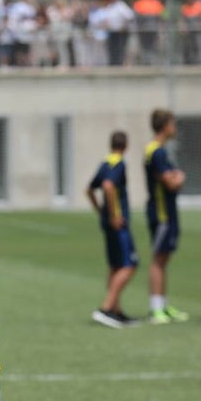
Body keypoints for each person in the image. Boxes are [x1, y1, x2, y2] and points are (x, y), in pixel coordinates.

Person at [86, 130, 138, 328]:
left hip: (107, 223)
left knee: (116, 265)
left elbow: (90, 189)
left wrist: (100, 210)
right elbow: (108, 186)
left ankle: (115, 311)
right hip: (118, 225)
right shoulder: (118, 163)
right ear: (125, 145)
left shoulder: (104, 163)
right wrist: (115, 215)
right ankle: (106, 308)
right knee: (129, 265)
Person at [144, 108, 189, 324]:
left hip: (167, 212)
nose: (175, 128)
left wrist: (176, 177)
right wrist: (178, 178)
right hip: (161, 213)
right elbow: (170, 181)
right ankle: (155, 308)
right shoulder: (157, 152)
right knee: (158, 259)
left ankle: (162, 303)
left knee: (164, 259)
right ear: (165, 126)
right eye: (173, 124)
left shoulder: (159, 149)